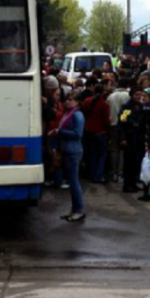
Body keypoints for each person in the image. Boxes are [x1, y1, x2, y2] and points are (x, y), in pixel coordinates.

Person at [49, 94, 86, 222]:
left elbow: (77, 133)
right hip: (66, 149)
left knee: (74, 182)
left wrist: (59, 132)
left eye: (71, 100)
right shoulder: (68, 113)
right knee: (71, 181)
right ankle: (75, 209)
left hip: (73, 151)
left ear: (77, 102)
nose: (67, 102)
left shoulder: (77, 115)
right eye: (67, 99)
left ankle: (79, 210)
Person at [119, 89, 150, 193]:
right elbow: (122, 122)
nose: (139, 97)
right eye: (137, 94)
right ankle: (127, 184)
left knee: (136, 161)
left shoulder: (141, 107)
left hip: (139, 138)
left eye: (140, 94)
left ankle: (133, 183)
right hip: (129, 137)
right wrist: (123, 137)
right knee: (129, 162)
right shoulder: (127, 107)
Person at [81, 85, 111, 183]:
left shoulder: (87, 101)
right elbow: (106, 121)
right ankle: (99, 175)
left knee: (92, 153)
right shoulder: (104, 105)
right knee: (102, 154)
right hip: (100, 131)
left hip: (89, 130)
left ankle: (92, 174)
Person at [107, 78, 131, 182]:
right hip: (122, 125)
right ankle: (120, 173)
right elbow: (126, 111)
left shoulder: (111, 96)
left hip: (112, 124)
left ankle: (113, 172)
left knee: (114, 149)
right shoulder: (127, 96)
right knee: (122, 150)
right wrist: (124, 121)